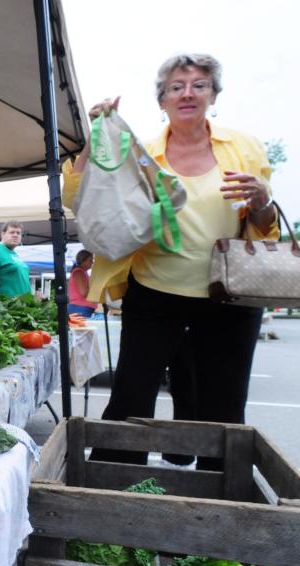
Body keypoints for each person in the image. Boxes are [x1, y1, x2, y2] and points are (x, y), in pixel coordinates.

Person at [63, 53, 278, 465]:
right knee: (131, 396)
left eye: (199, 84)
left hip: (230, 298)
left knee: (224, 403)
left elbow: (264, 227)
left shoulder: (245, 148)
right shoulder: (141, 152)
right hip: (155, 294)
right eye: (176, 86)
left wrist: (263, 200)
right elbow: (80, 195)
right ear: (161, 100)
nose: (187, 93)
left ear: (214, 95)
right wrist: (97, 135)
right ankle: (114, 488)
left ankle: (220, 495)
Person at [0, 221, 31, 298]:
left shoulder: (14, 254)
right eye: (12, 232)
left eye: (18, 233)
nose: (15, 235)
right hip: (7, 307)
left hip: (22, 306)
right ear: (3, 234)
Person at [67, 250, 97, 317]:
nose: (92, 262)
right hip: (80, 308)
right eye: (91, 260)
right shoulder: (79, 272)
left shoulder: (83, 272)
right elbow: (84, 292)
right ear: (83, 260)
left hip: (81, 308)